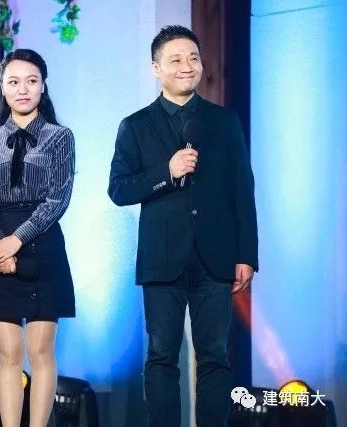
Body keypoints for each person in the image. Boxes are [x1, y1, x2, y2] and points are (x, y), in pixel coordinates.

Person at [107, 25, 258, 427]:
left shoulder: (224, 122)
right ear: (156, 68)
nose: (186, 66)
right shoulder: (135, 125)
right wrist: (166, 172)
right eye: (175, 59)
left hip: (216, 258)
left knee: (216, 357)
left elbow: (243, 191)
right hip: (162, 258)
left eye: (193, 57)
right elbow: (119, 189)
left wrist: (246, 255)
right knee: (161, 356)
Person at [0, 48, 76, 427]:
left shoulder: (60, 137)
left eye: (31, 81)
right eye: (13, 82)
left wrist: (17, 240)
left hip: (41, 244)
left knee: (41, 351)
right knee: (8, 353)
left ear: (43, 86)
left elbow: (58, 198)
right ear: (2, 88)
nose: (23, 89)